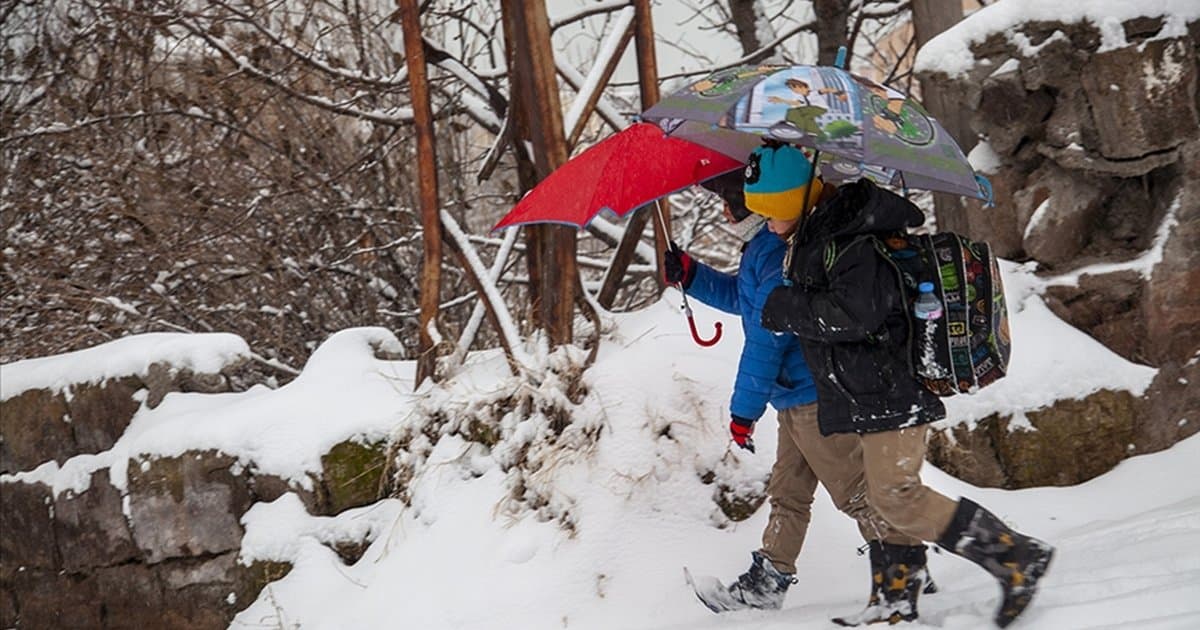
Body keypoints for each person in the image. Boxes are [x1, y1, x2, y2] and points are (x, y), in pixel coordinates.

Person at [754, 147, 1055, 628]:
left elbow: (856, 315)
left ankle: (1016, 556)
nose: (766, 223)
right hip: (866, 391)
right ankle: (894, 600)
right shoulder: (822, 238)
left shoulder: (851, 242)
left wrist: (787, 307)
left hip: (889, 389)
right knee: (885, 495)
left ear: (797, 199)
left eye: (771, 211)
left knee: (896, 495)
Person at [663, 157, 934, 619]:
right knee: (789, 491)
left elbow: (767, 340)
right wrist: (692, 275)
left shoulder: (772, 252)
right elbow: (744, 301)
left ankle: (904, 566)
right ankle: (767, 582)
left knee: (852, 490)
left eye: (728, 205)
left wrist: (743, 412)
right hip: (792, 394)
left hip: (810, 394)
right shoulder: (762, 250)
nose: (724, 215)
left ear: (746, 208)